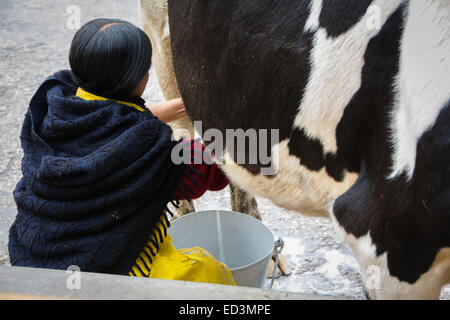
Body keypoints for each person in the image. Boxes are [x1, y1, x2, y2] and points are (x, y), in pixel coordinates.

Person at [8, 18, 235, 286]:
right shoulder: (146, 148)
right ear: (137, 80)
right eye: (146, 71)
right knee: (210, 271)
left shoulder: (54, 106)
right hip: (105, 272)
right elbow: (205, 168)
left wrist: (192, 104)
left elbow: (122, 115)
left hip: (34, 259)